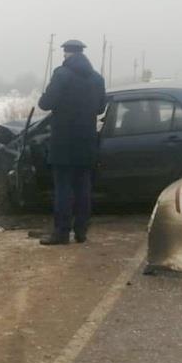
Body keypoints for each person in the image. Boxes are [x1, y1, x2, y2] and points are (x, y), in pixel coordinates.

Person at [37, 39, 106, 245]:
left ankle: (61, 232)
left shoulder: (61, 74)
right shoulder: (97, 78)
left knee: (63, 189)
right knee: (84, 188)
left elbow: (46, 103)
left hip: (63, 142)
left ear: (66, 54)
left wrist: (44, 96)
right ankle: (81, 231)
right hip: (86, 141)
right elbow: (101, 108)